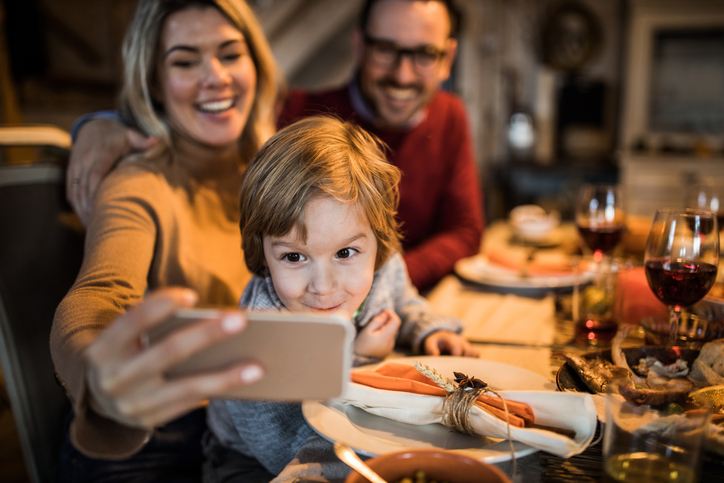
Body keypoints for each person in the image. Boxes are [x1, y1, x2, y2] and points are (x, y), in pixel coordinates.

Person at [65, 0, 485, 292]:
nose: (404, 74)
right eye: (386, 50)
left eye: (424, 55)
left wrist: (373, 283)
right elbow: (100, 298)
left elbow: (465, 229)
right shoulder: (296, 125)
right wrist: (101, 124)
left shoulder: (450, 115)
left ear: (447, 59)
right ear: (359, 47)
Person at [50, 0, 282, 480]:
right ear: (153, 81)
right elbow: (97, 296)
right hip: (155, 434)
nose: (214, 76)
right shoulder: (138, 180)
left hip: (260, 421)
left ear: (255, 63)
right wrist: (99, 379)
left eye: (230, 54)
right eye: (184, 61)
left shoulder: (280, 168)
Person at [204, 115, 478, 482]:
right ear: (261, 253)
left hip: (350, 430)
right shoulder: (260, 335)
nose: (323, 285)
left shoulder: (384, 265)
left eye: (345, 253)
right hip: (253, 457)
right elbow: (285, 444)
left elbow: (404, 301)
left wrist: (428, 330)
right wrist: (360, 356)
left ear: (378, 241)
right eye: (294, 257)